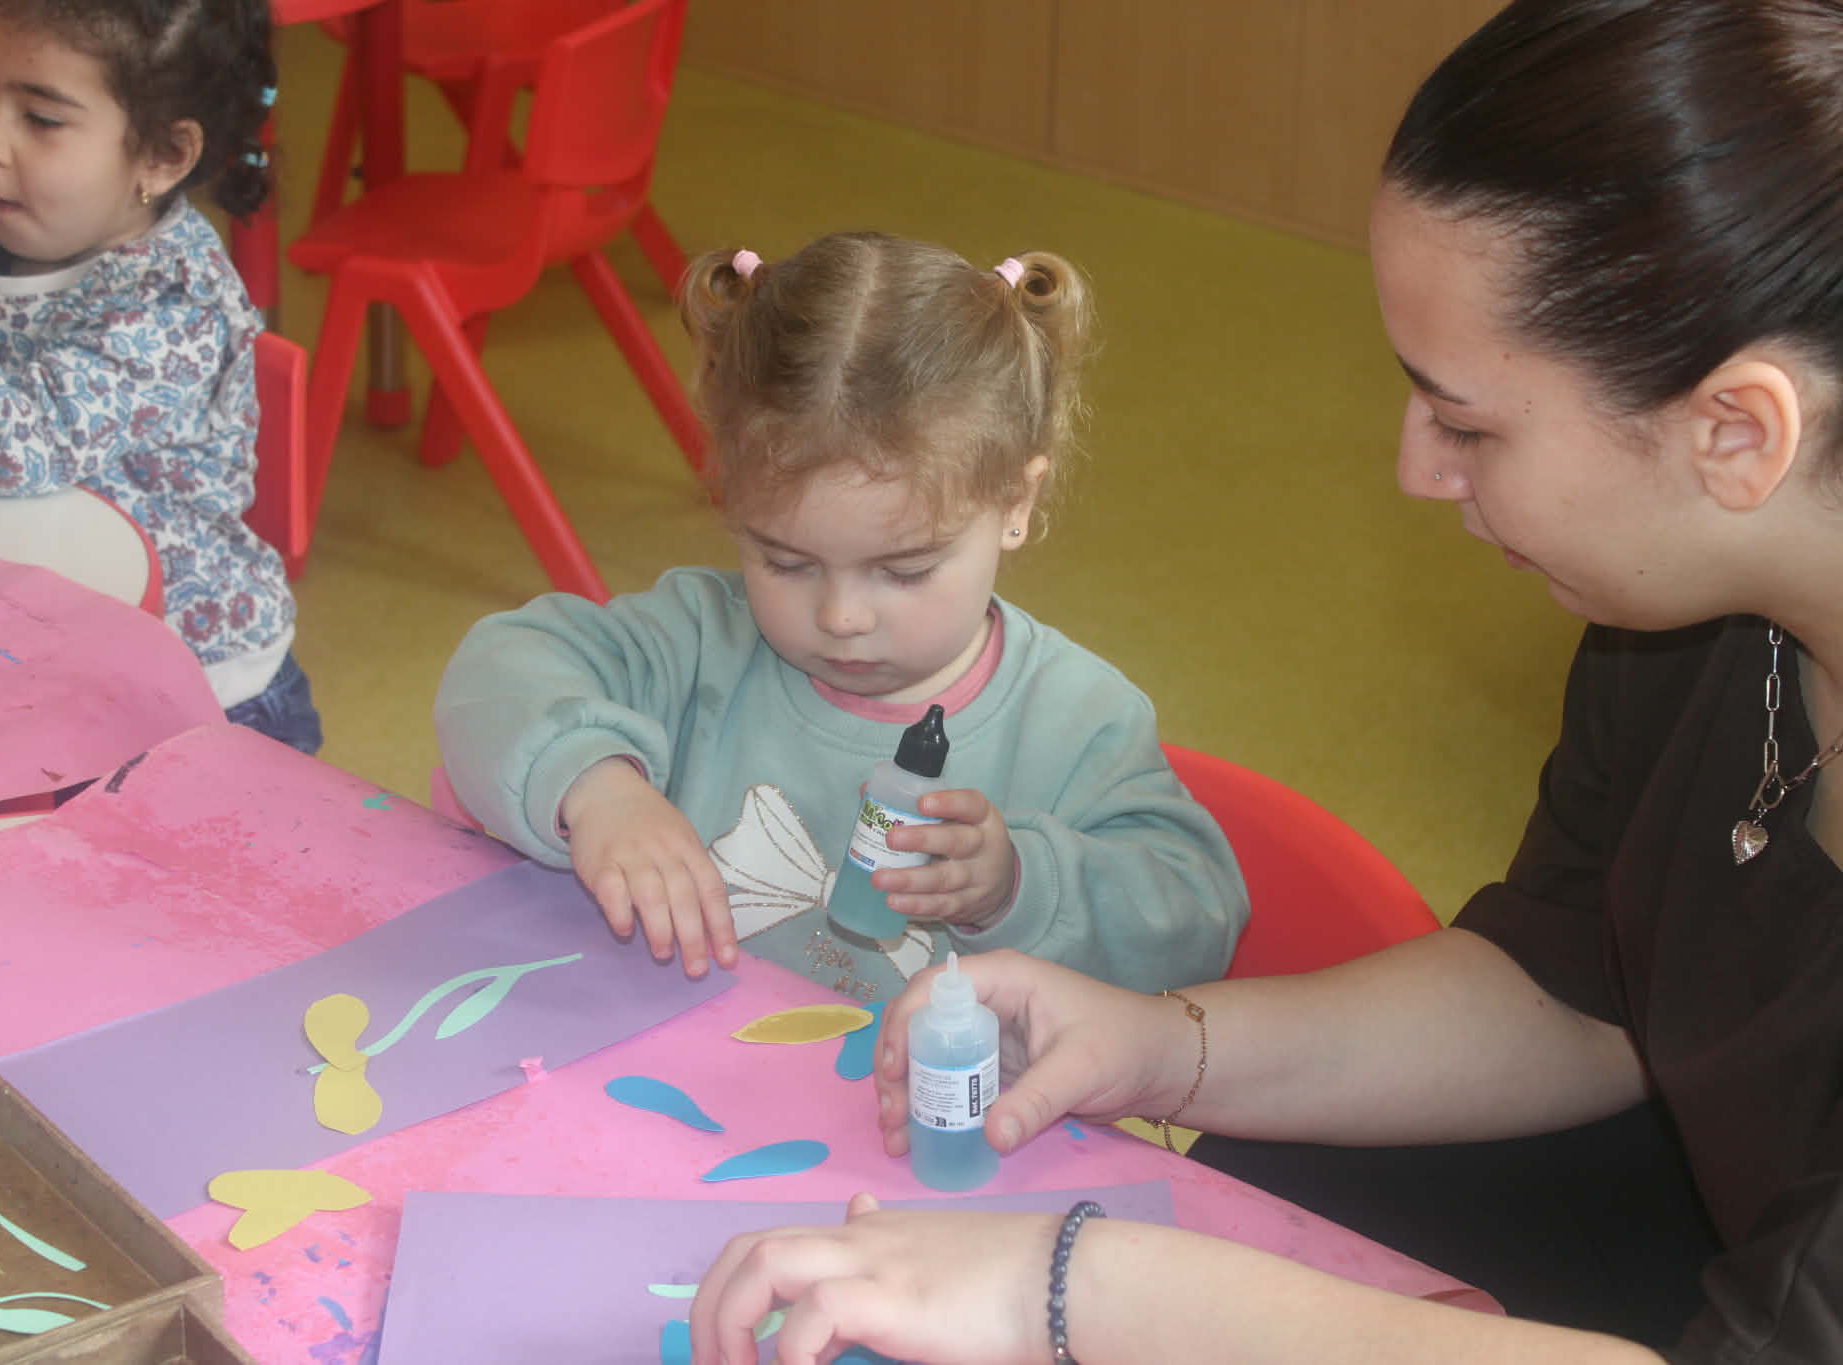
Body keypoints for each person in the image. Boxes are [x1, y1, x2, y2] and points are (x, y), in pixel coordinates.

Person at [684, 1, 1843, 1360]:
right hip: (1696, 1217)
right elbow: (1582, 983)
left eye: (1466, 422)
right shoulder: (1688, 623)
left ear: (1736, 434)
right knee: (1249, 1194)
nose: (1416, 468)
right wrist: (1162, 1043)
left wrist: (1069, 1291)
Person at [434, 232, 1247, 994]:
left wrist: (1019, 884)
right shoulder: (700, 639)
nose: (841, 616)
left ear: (1015, 501)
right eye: (785, 561)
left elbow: (1198, 921)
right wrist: (597, 787)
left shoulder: (1078, 720)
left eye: (905, 569)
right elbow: (497, 674)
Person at [0, 0, 319, 753]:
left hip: (193, 689)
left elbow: (28, 445)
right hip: (18, 641)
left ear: (163, 155)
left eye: (41, 119)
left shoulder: (173, 299)